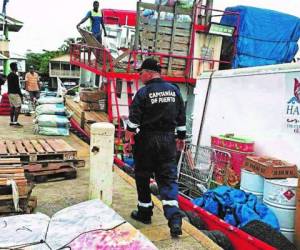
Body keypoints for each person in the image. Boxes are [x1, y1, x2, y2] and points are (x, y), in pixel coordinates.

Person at [125, 58, 186, 237]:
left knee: (143, 177)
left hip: (146, 141)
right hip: (168, 141)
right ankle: (175, 219)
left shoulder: (143, 93)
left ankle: (144, 212)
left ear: (149, 72)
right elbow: (181, 117)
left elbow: (133, 121)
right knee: (168, 179)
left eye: (141, 72)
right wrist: (180, 137)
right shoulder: (174, 90)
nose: (140, 76)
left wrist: (128, 140)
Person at [7, 62, 23, 127]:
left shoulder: (9, 75)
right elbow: (17, 87)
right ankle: (15, 122)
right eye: (16, 67)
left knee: (12, 107)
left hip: (10, 93)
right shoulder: (15, 76)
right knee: (18, 107)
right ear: (14, 67)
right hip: (15, 94)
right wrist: (21, 95)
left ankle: (11, 121)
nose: (17, 68)